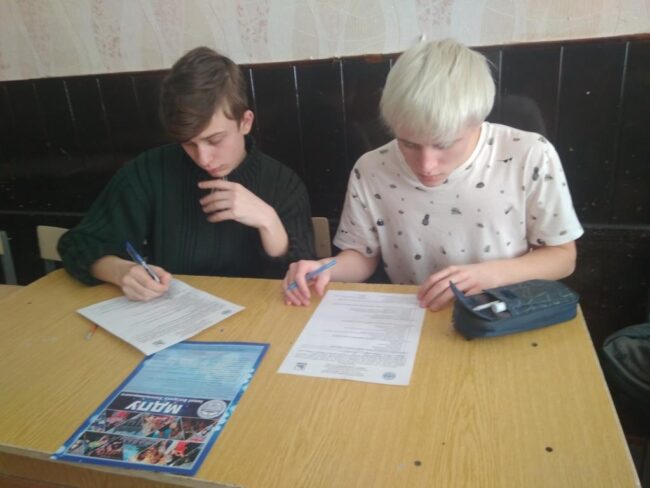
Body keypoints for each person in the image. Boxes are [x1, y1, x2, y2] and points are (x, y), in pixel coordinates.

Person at [283, 38, 583, 311]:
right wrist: (324, 268)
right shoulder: (372, 167)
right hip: (414, 314)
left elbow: (562, 256)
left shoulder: (529, 153)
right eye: (409, 144)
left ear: (477, 121)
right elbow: (362, 256)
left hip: (502, 314)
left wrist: (487, 275)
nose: (426, 165)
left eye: (444, 144)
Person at [59, 47, 315, 300]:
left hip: (259, 315)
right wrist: (121, 271)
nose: (204, 158)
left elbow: (301, 277)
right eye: (189, 143)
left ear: (245, 122)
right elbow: (78, 244)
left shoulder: (283, 183)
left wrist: (268, 221)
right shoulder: (150, 171)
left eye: (215, 140)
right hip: (169, 314)